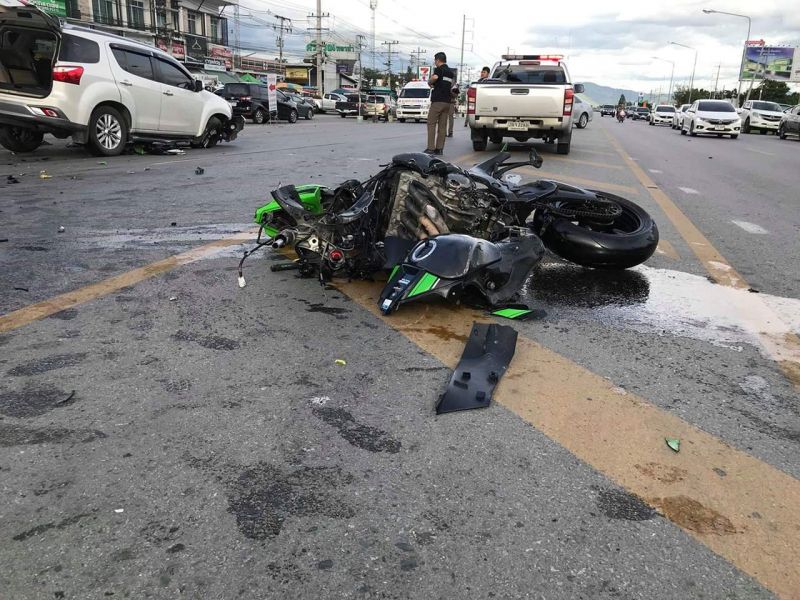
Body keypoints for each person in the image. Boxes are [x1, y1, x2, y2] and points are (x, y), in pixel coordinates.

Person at [425, 52, 455, 155]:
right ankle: (439, 149)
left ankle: (430, 148)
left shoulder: (439, 69)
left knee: (431, 123)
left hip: (437, 101)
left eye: (435, 60)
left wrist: (429, 82)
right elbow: (450, 85)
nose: (435, 62)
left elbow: (435, 78)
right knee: (442, 126)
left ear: (438, 60)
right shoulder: (450, 72)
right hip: (447, 102)